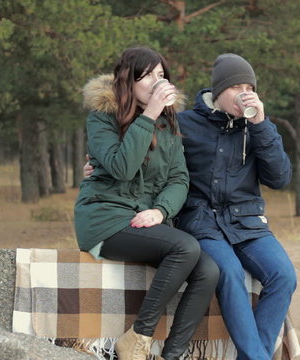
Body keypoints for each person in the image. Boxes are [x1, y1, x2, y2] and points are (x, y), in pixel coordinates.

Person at [84, 53, 297, 360]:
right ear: (218, 90)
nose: (243, 93)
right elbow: (143, 157)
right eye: (235, 86)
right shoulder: (183, 123)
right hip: (201, 221)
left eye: (249, 86)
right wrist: (95, 166)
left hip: (248, 222)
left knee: (284, 276)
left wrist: (261, 124)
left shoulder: (257, 128)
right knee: (230, 273)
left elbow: (280, 178)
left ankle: (253, 356)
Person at [74, 47, 219, 360]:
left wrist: (161, 210)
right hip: (105, 220)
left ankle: (174, 354)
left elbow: (179, 179)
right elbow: (122, 167)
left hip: (143, 220)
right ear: (129, 81)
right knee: (185, 247)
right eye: (149, 75)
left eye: (162, 75)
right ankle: (138, 338)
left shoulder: (168, 125)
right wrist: (149, 114)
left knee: (208, 270)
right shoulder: (102, 118)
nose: (158, 81)